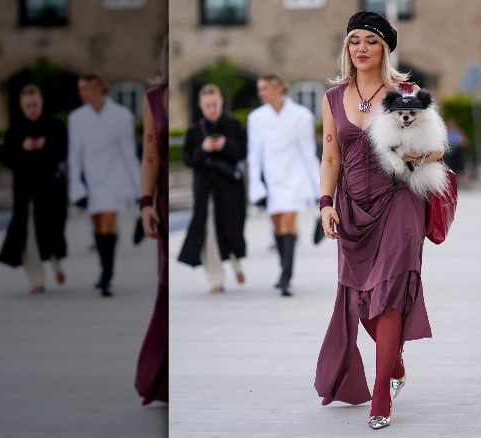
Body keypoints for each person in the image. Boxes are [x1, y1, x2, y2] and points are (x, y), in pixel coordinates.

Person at [313, 11, 444, 430]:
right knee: (360, 300)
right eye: (355, 41)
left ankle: (381, 395)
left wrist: (417, 157)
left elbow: (440, 148)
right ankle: (397, 361)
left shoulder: (408, 93)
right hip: (352, 207)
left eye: (371, 40)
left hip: (400, 200)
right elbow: (331, 156)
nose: (361, 48)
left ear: (384, 47)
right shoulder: (333, 98)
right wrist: (325, 202)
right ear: (347, 48)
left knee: (388, 293)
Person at [247, 73, 321, 297]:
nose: (261, 93)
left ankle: (286, 277)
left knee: (288, 222)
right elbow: (254, 155)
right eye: (259, 89)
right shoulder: (256, 118)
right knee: (277, 226)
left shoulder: (301, 116)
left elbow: (308, 153)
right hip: (271, 178)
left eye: (265, 88)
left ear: (278, 88)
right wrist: (256, 186)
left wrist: (318, 187)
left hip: (294, 177)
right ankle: (283, 270)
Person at [68, 74, 140, 297]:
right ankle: (103, 269)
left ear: (98, 89)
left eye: (85, 88)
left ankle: (107, 276)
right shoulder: (76, 118)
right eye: (80, 89)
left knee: (109, 223)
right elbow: (75, 154)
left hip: (115, 177)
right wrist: (76, 185)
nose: (81, 93)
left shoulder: (121, 116)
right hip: (92, 179)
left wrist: (139, 189)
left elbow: (129, 153)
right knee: (98, 226)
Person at [0, 84, 68, 293]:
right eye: (28, 105)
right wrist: (24, 148)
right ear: (21, 106)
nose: (32, 109)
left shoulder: (55, 126)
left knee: (53, 231)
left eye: (35, 104)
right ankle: (36, 278)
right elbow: (6, 159)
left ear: (41, 102)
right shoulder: (15, 129)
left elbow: (62, 154)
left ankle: (56, 263)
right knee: (28, 233)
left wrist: (43, 147)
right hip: (25, 192)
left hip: (51, 191)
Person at [178, 84, 247, 293]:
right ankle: (215, 279)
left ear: (221, 102)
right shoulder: (194, 130)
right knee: (207, 231)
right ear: (201, 106)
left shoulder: (234, 126)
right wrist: (203, 149)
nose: (212, 109)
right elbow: (187, 159)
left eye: (214, 104)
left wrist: (225, 145)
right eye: (207, 105)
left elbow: (244, 152)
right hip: (205, 190)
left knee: (231, 229)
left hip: (230, 190)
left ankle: (236, 263)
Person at [135, 36, 169, 406]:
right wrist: (145, 203)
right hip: (160, 202)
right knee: (165, 289)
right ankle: (158, 380)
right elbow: (150, 156)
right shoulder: (153, 98)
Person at [444, 117, 469, 186]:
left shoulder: (458, 132)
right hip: (450, 154)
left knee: (462, 168)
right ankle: (453, 183)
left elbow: (465, 142)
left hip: (458, 153)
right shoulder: (446, 132)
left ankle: (466, 183)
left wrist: (460, 142)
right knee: (451, 169)